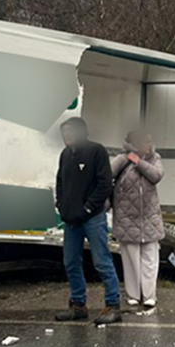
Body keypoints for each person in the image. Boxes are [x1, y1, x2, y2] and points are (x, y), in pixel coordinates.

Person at [53, 117, 122, 325]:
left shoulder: (96, 151)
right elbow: (61, 182)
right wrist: (62, 205)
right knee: (71, 262)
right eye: (64, 132)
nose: (67, 136)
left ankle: (113, 305)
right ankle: (78, 304)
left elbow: (104, 185)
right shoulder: (65, 155)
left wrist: (88, 208)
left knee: (102, 261)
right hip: (71, 220)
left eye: (71, 132)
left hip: (93, 218)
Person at [110, 130, 164, 309]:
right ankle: (133, 294)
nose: (150, 145)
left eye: (150, 141)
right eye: (146, 141)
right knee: (130, 258)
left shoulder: (154, 158)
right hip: (127, 217)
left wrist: (138, 161)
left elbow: (156, 175)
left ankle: (149, 295)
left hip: (149, 216)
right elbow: (106, 176)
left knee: (150, 257)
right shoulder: (121, 159)